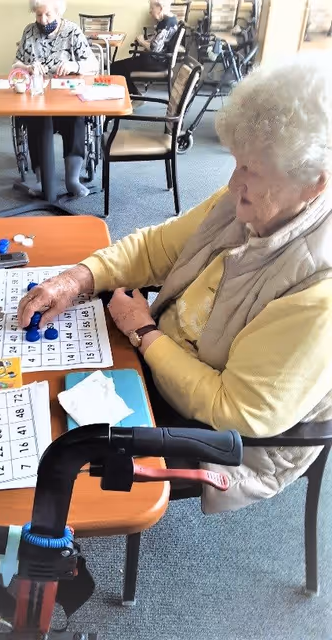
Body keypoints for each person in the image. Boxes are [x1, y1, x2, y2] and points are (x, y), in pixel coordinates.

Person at [17, 52, 332, 513]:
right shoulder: (246, 201)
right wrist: (76, 278)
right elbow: (153, 249)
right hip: (164, 346)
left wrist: (142, 333)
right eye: (237, 162)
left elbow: (235, 407)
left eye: (253, 171)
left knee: (53, 446)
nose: (232, 182)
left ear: (313, 184)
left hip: (223, 431)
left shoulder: (319, 288)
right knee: (34, 386)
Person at [11, 0, 99, 197]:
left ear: (58, 11)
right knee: (36, 120)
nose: (43, 20)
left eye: (48, 14)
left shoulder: (72, 31)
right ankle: (43, 180)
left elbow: (93, 63)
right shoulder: (29, 32)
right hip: (38, 97)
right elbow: (16, 64)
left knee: (76, 118)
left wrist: (74, 66)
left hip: (66, 97)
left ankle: (72, 180)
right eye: (38, 15)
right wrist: (27, 68)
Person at [110, 0, 178, 97]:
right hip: (161, 60)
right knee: (120, 67)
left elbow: (154, 48)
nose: (150, 11)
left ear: (160, 8)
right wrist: (146, 41)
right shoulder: (172, 20)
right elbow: (160, 42)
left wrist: (141, 40)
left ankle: (135, 95)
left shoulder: (165, 24)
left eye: (152, 8)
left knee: (114, 67)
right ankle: (134, 94)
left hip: (156, 62)